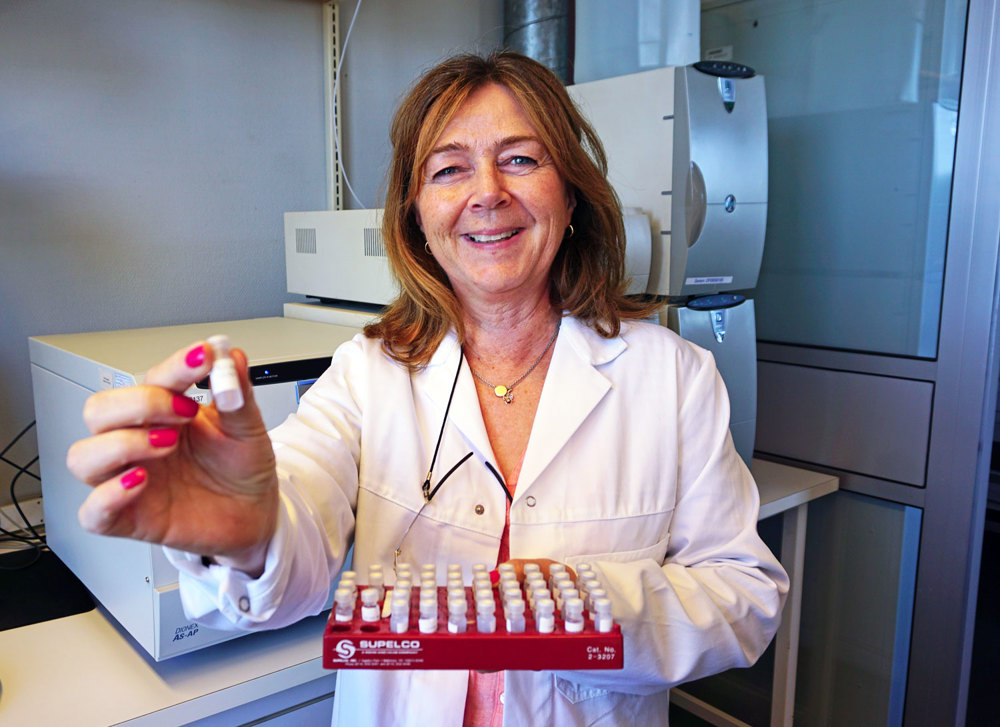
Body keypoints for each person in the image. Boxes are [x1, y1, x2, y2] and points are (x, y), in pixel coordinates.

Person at [67, 50, 788, 726]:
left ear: (571, 196)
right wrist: (251, 534)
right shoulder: (368, 372)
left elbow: (744, 597)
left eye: (520, 159)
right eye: (448, 170)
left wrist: (567, 611)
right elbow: (301, 523)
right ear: (416, 216)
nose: (486, 193)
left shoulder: (672, 377)